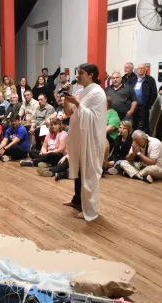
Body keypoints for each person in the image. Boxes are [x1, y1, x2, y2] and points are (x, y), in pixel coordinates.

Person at [62, 63, 107, 221]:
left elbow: (93, 117)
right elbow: (68, 113)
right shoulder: (81, 91)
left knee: (88, 173)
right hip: (79, 137)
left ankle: (91, 209)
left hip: (91, 138)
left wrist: (77, 103)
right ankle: (77, 201)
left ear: (91, 75)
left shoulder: (97, 93)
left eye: (81, 73)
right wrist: (68, 97)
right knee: (79, 170)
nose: (78, 76)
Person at [132, 64, 158, 132]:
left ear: (145, 70)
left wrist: (148, 105)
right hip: (133, 107)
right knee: (134, 125)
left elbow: (154, 93)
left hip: (144, 107)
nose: (140, 69)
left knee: (144, 126)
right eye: (139, 68)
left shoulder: (150, 79)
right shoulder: (133, 79)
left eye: (142, 68)